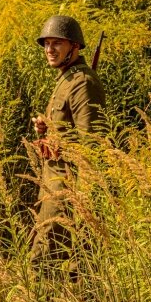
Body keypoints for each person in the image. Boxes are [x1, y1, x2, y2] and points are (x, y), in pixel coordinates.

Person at [30, 15, 106, 279]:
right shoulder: (67, 79)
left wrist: (83, 200)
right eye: (46, 43)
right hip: (53, 184)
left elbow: (92, 145)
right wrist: (48, 129)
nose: (49, 49)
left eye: (57, 43)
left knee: (46, 261)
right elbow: (69, 129)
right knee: (45, 260)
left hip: (67, 188)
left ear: (74, 47)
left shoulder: (83, 82)